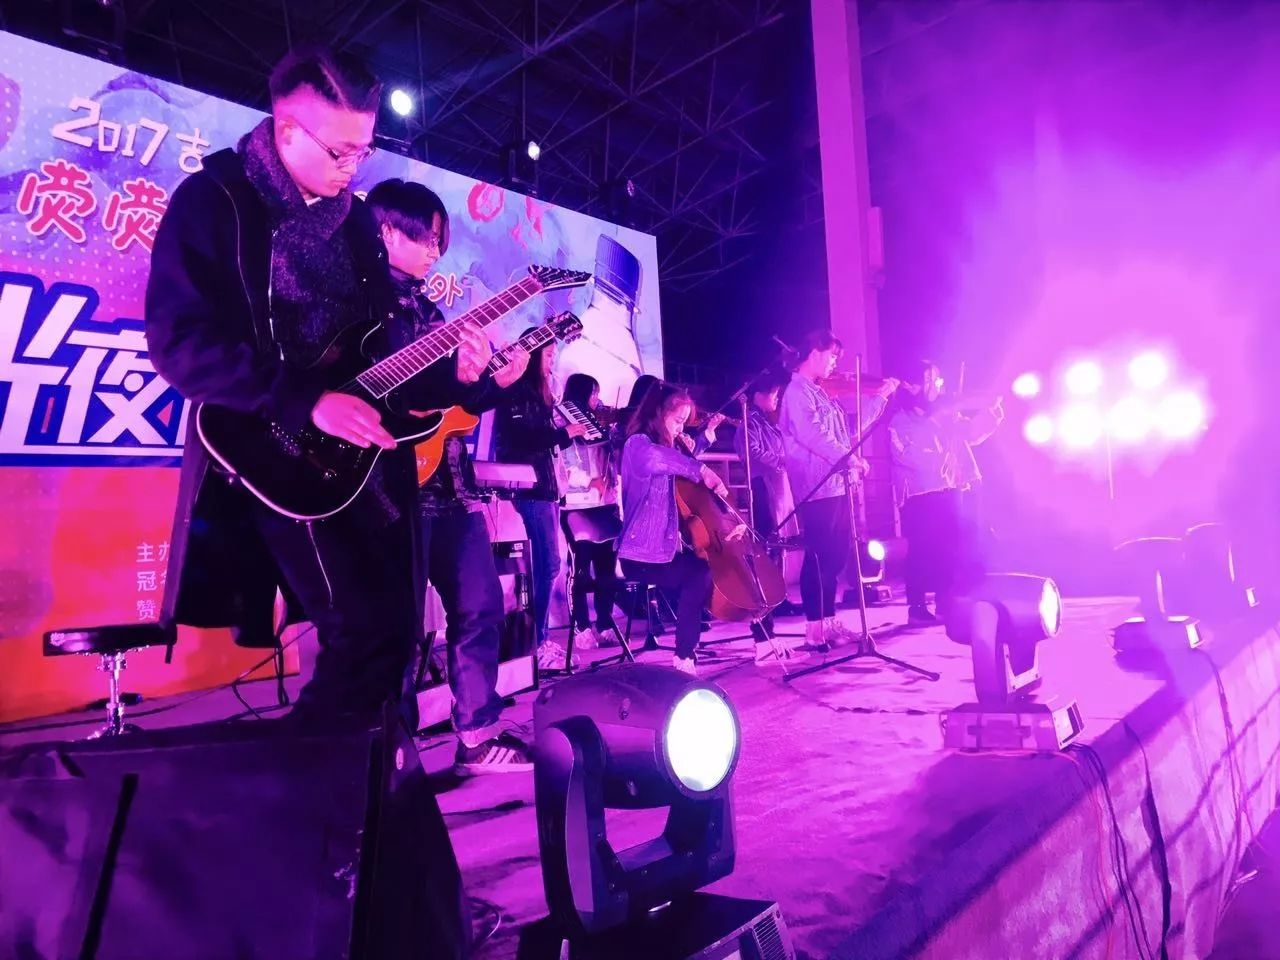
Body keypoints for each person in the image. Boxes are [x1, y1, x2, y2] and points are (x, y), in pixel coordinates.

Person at [146, 45, 494, 724]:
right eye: (339, 151)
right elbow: (179, 343)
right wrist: (306, 400)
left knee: (394, 634)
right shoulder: (216, 202)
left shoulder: (357, 221)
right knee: (361, 635)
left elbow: (382, 355)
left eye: (364, 151)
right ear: (286, 130)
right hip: (271, 452)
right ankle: (318, 784)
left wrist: (463, 380)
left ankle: (369, 779)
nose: (351, 167)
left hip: (366, 461)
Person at [366, 177, 532, 773]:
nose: (436, 251)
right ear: (387, 231)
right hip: (393, 490)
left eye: (441, 240)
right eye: (427, 238)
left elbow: (454, 405)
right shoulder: (361, 307)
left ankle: (477, 735)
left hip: (453, 486)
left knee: (480, 607)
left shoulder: (431, 312)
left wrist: (496, 383)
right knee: (400, 628)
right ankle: (393, 754)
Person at [778, 330, 899, 650]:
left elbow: (847, 431)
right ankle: (814, 627)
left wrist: (879, 399)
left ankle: (828, 620)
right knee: (819, 555)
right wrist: (849, 458)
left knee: (836, 553)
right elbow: (813, 435)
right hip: (816, 486)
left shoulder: (821, 393)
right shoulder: (797, 392)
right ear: (814, 353)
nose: (834, 363)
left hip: (838, 483)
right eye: (831, 356)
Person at [618, 382, 743, 675]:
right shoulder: (638, 445)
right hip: (639, 555)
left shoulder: (669, 448)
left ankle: (689, 652)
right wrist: (701, 469)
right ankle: (684, 658)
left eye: (684, 423)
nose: (679, 428)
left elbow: (681, 460)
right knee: (697, 574)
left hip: (665, 552)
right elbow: (659, 460)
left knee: (705, 569)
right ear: (658, 413)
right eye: (677, 421)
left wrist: (699, 443)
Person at [493, 335, 590, 669]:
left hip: (545, 487)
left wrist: (566, 436)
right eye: (548, 355)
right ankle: (537, 643)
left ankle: (538, 640)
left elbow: (544, 443)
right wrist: (565, 433)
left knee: (549, 565)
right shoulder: (518, 390)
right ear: (533, 356)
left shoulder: (541, 394)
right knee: (547, 565)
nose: (552, 362)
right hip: (531, 488)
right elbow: (521, 439)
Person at [889, 360, 1003, 625]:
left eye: (939, 381)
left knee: (949, 549)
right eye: (933, 381)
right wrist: (937, 427)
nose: (939, 387)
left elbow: (971, 434)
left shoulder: (946, 415)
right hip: (920, 492)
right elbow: (911, 456)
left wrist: (991, 412)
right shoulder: (901, 420)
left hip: (950, 488)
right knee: (921, 549)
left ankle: (945, 602)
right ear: (914, 385)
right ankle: (916, 608)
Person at [558, 373, 622, 649]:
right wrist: (588, 481)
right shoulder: (562, 421)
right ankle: (581, 626)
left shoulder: (603, 425)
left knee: (607, 570)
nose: (597, 399)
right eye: (593, 393)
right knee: (581, 571)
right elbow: (563, 462)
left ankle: (605, 623)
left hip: (605, 505)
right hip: (577, 506)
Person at [732, 377, 802, 622]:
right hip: (764, 486)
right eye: (773, 394)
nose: (776, 399)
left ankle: (779, 596)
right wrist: (781, 460)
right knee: (768, 541)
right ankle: (770, 599)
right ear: (758, 396)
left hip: (779, 486)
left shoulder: (768, 423)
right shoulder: (749, 423)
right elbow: (751, 451)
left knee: (779, 542)